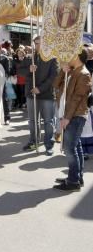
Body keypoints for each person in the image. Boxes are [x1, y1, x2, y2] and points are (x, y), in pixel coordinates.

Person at [53, 50, 92, 191]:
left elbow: (77, 98)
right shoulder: (72, 71)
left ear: (77, 57)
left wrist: (67, 118)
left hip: (75, 115)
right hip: (69, 114)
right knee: (76, 147)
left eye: (71, 55)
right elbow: (55, 84)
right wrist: (63, 71)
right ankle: (76, 177)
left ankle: (73, 181)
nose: (68, 57)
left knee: (70, 149)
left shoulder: (84, 74)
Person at [18, 36, 59, 155]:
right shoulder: (30, 57)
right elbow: (20, 71)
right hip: (31, 94)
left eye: (40, 43)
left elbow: (53, 77)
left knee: (48, 121)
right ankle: (33, 141)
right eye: (36, 43)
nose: (37, 46)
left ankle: (48, 145)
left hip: (46, 94)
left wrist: (39, 89)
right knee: (32, 121)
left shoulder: (52, 58)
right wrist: (29, 70)